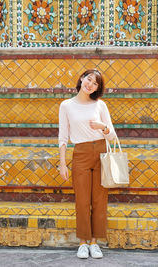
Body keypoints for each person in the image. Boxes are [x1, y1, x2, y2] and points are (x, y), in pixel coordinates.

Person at [58, 69, 117, 259]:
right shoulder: (66, 105)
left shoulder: (100, 105)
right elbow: (63, 137)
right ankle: (83, 242)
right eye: (88, 79)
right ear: (81, 79)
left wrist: (103, 127)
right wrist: (62, 163)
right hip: (81, 153)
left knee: (99, 200)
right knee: (82, 200)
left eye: (95, 83)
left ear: (97, 88)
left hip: (101, 151)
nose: (90, 84)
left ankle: (94, 242)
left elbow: (113, 136)